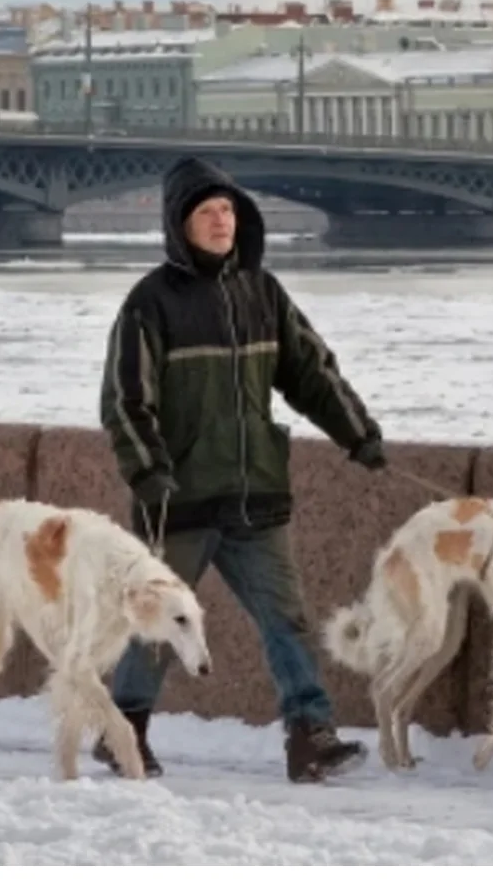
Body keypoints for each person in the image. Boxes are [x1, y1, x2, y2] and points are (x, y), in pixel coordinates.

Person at [95, 155, 388, 784]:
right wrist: (150, 474)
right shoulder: (150, 302)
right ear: (180, 225)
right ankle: (123, 733)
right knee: (157, 622)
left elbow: (312, 373)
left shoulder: (263, 291)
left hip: (256, 497)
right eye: (206, 212)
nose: (220, 221)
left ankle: (310, 736)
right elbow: (124, 401)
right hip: (180, 500)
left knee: (288, 621)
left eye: (227, 209)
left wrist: (358, 434)